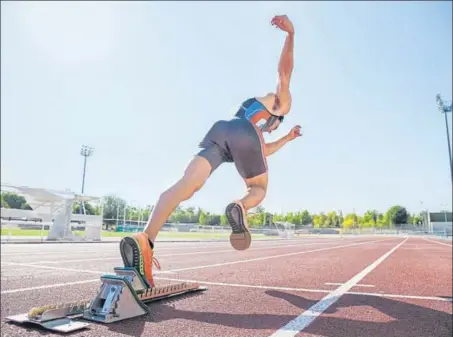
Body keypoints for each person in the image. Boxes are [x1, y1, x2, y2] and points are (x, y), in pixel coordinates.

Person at [119, 14, 301, 287]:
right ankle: (240, 206)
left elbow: (262, 151)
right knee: (259, 189)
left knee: (186, 184)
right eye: (277, 126)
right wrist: (291, 35)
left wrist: (286, 139)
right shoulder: (279, 105)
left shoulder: (252, 112)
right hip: (244, 137)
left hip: (222, 131)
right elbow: (283, 74)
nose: (273, 129)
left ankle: (145, 239)